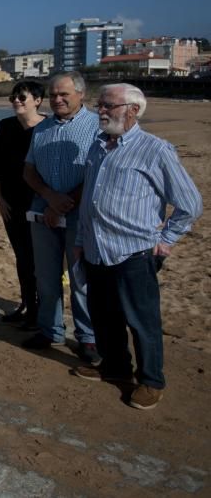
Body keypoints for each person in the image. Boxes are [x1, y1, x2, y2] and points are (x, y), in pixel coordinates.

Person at [72, 84, 202, 410]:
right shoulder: (98, 146)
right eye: (99, 104)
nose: (100, 110)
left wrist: (166, 240)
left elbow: (190, 204)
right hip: (97, 250)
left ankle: (151, 381)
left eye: (108, 105)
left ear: (133, 110)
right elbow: (89, 199)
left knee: (142, 322)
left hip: (135, 252)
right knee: (104, 317)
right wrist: (79, 241)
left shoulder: (156, 150)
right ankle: (115, 368)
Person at [21, 71, 100, 364]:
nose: (57, 99)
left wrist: (64, 202)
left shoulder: (96, 127)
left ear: (81, 94)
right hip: (44, 211)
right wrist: (50, 198)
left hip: (80, 214)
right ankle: (50, 330)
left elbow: (97, 171)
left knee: (80, 278)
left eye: (64, 94)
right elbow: (28, 170)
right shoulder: (42, 128)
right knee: (46, 276)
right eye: (53, 94)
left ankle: (88, 338)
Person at [0, 80, 46, 325]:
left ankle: (42, 311)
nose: (16, 101)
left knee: (41, 260)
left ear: (37, 100)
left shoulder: (49, 127)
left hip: (40, 203)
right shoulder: (5, 126)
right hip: (11, 203)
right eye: (14, 97)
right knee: (22, 257)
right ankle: (27, 305)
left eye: (22, 97)